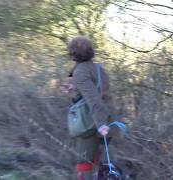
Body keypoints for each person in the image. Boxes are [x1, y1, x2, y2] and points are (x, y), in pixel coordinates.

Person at [62, 36, 114, 180]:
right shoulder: (97, 68)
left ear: (72, 54)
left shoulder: (80, 72)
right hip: (108, 119)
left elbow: (94, 99)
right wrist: (74, 87)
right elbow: (101, 92)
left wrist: (101, 125)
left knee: (83, 163)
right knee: (98, 162)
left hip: (91, 124)